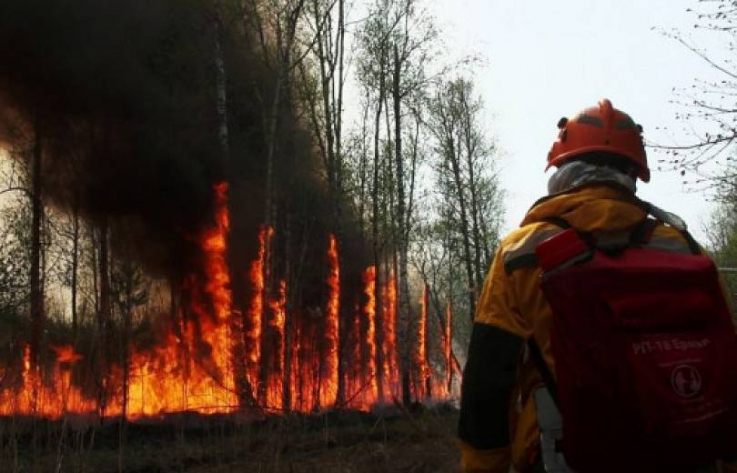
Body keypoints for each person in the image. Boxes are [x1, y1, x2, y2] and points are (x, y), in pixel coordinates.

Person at [457, 99, 737, 473]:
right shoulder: (684, 249)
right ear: (634, 174)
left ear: (561, 170)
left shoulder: (522, 252)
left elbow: (486, 387)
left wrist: (483, 467)